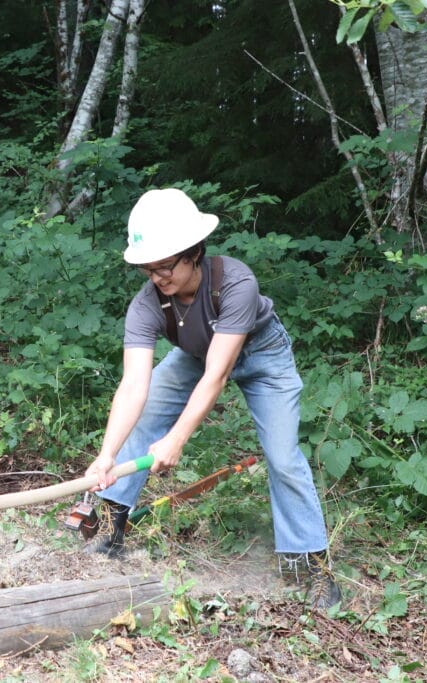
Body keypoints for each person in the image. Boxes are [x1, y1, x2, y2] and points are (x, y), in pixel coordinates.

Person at [83, 188, 341, 609]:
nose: (157, 277)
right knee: (145, 415)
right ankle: (111, 526)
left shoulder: (236, 282)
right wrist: (106, 454)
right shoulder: (147, 304)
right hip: (195, 353)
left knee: (282, 455)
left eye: (165, 266)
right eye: (148, 269)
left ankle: (313, 567)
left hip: (262, 356)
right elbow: (133, 384)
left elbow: (217, 376)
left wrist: (176, 440)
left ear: (194, 252)